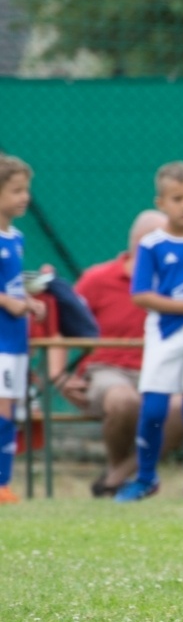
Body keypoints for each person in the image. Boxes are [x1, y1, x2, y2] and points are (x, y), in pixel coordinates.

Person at [116, 162, 183, 504]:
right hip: (164, 334)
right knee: (153, 409)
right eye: (177, 198)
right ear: (161, 202)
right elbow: (141, 295)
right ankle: (146, 478)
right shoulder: (152, 245)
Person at [69, 211, 183, 495]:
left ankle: (117, 477)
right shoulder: (97, 279)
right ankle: (131, 478)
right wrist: (60, 378)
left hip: (162, 368)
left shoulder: (177, 280)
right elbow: (62, 325)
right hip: (109, 369)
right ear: (138, 242)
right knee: (123, 401)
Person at [0, 154, 44, 506]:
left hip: (16, 338)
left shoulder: (16, 237)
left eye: (26, 190)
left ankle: (4, 482)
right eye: (16, 190)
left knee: (10, 410)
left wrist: (30, 300)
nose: (24, 197)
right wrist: (7, 302)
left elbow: (13, 286)